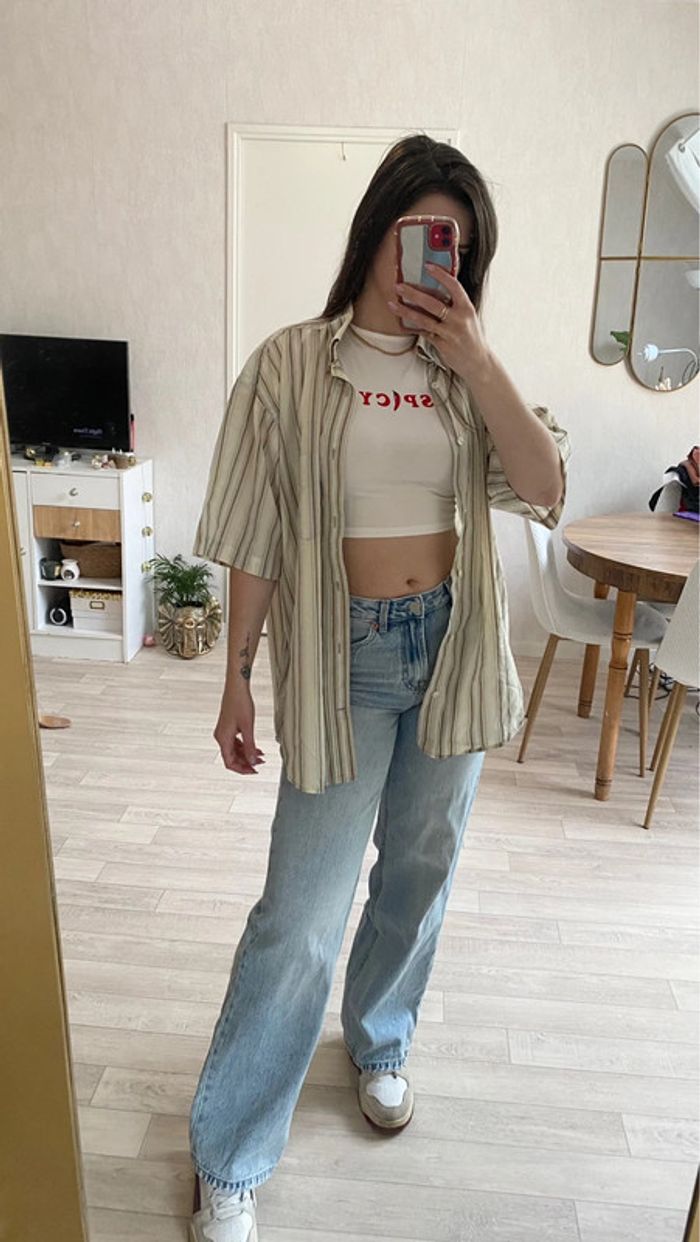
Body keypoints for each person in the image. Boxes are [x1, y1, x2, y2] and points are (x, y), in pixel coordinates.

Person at [187, 132, 570, 1242]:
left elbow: (544, 488)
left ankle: (380, 1037)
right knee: (299, 915)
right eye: (420, 234)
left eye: (456, 248)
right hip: (341, 658)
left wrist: (479, 360)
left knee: (417, 872)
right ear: (376, 232)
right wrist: (235, 677)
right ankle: (230, 1157)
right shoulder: (289, 365)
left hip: (452, 649)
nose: (433, 259)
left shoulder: (465, 376)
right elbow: (253, 531)